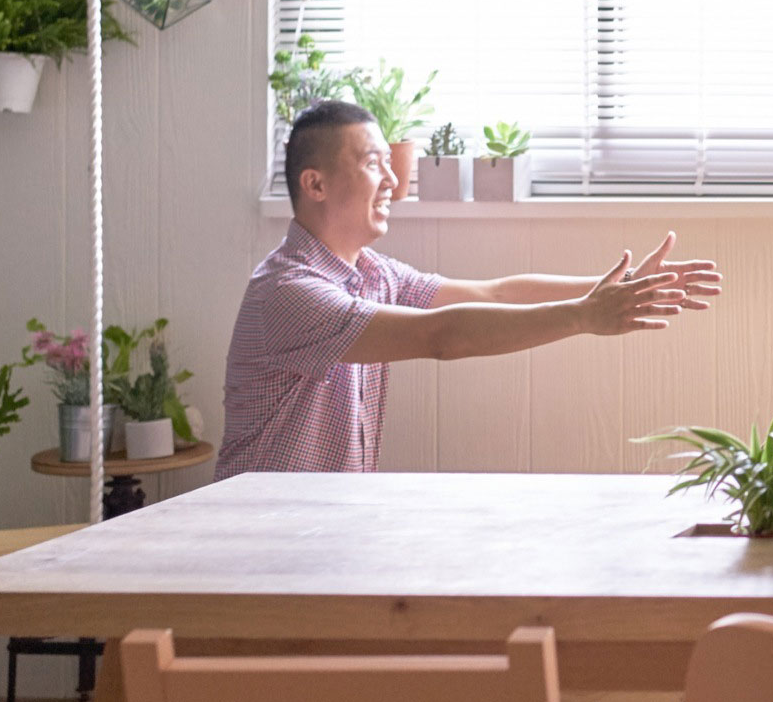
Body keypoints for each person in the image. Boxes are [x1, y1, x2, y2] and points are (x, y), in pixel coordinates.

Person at [217, 100, 719, 478]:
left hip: (322, 530)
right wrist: (585, 316)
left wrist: (616, 286)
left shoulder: (371, 274)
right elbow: (442, 337)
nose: (393, 180)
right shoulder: (289, 291)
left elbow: (494, 294)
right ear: (316, 185)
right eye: (373, 164)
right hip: (263, 537)